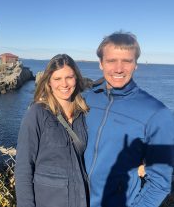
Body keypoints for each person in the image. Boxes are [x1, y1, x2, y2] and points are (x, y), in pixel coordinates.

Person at [84, 31, 174, 207]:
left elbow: (160, 183)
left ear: (135, 65)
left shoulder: (156, 113)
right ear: (101, 64)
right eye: (111, 61)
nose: (119, 69)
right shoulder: (88, 99)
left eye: (126, 61)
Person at [15, 54, 90, 207]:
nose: (64, 84)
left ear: (76, 78)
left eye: (69, 77)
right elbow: (23, 168)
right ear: (48, 82)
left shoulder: (84, 114)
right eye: (57, 79)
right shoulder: (37, 113)